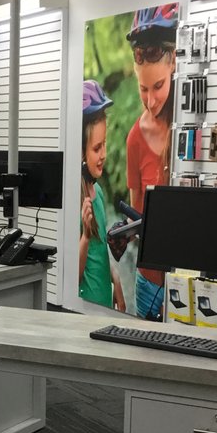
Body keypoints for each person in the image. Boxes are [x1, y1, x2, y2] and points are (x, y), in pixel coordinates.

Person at [124, 3, 178, 320]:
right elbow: (136, 216)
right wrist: (124, 231)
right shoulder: (135, 138)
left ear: (173, 64)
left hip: (191, 282)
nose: (151, 100)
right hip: (149, 283)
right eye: (143, 89)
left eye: (158, 86)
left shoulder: (188, 131)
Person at [80, 80, 126, 311]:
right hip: (85, 308)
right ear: (80, 151)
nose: (104, 154)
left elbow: (99, 251)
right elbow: (72, 276)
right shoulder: (75, 202)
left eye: (105, 144)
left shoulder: (97, 191)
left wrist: (114, 278)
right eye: (97, 148)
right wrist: (85, 236)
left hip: (103, 304)